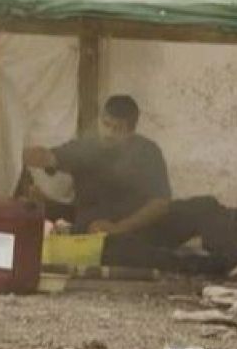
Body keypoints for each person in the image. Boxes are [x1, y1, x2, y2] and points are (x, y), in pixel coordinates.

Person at [22, 95, 175, 261]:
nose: (109, 133)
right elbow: (50, 156)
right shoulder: (86, 147)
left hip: (132, 235)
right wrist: (25, 155)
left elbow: (160, 204)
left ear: (131, 131)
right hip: (87, 237)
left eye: (117, 128)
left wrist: (118, 228)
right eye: (106, 124)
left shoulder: (147, 152)